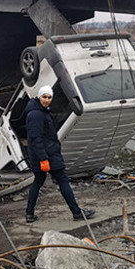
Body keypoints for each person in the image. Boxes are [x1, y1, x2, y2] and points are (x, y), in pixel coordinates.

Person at [25, 85, 95, 223]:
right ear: (39, 97)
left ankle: (29, 213)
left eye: (49, 97)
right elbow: (36, 139)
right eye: (44, 97)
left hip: (44, 154)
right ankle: (76, 213)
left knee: (38, 182)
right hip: (47, 155)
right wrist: (44, 159)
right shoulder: (37, 114)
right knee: (63, 180)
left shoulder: (41, 111)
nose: (47, 100)